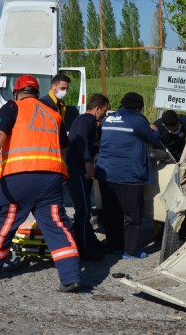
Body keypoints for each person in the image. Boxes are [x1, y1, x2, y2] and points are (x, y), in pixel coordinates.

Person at [0, 74, 81, 293]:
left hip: (18, 176)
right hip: (51, 178)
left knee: (5, 220)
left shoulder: (11, 107)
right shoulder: (53, 113)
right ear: (37, 92)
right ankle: (71, 275)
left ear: (16, 92)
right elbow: (64, 146)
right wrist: (60, 167)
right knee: (56, 224)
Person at [95, 92, 163, 259]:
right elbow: (155, 139)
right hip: (129, 175)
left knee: (112, 213)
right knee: (132, 216)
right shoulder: (138, 120)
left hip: (106, 174)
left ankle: (114, 246)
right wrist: (154, 129)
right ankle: (130, 251)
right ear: (139, 108)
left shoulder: (109, 119)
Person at [65, 93, 110, 260]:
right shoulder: (87, 120)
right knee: (83, 210)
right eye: (104, 111)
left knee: (84, 210)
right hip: (77, 171)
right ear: (97, 109)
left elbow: (90, 143)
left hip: (76, 170)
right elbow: (82, 141)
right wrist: (88, 162)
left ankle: (90, 242)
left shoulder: (86, 121)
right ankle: (83, 250)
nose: (104, 115)